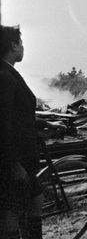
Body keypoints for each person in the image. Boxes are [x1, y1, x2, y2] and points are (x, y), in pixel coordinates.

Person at [0, 25, 66, 239]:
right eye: (21, 43)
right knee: (14, 209)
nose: (23, 47)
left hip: (19, 155)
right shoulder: (4, 76)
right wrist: (13, 164)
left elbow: (18, 115)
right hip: (17, 157)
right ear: (13, 45)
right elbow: (3, 124)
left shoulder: (7, 72)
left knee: (24, 203)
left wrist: (44, 124)